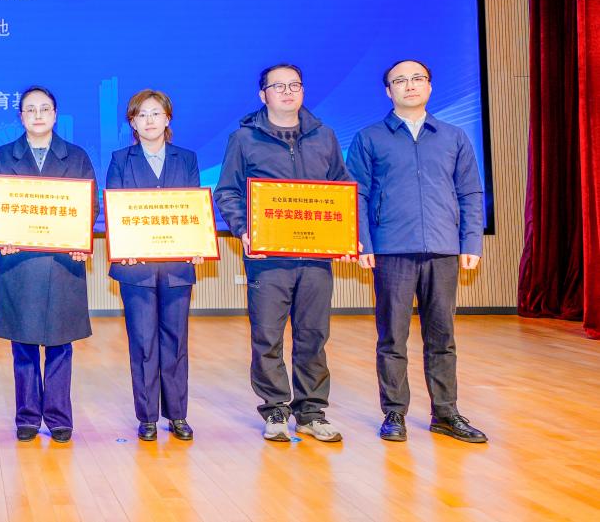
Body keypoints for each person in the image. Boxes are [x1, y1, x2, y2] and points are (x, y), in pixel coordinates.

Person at [346, 59, 488, 443]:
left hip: (443, 248)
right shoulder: (369, 138)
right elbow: (356, 194)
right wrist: (363, 243)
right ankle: (394, 413)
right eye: (400, 80)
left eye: (417, 78)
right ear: (387, 91)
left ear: (429, 86)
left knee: (442, 337)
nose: (410, 85)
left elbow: (470, 192)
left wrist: (471, 241)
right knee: (392, 336)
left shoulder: (454, 136)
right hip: (391, 250)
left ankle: (446, 413)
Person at [214, 64, 352, 443]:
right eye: (279, 86)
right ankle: (275, 408)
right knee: (267, 335)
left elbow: (342, 187)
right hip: (268, 258)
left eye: (295, 85)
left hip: (316, 256)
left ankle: (311, 412)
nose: (288, 92)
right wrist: (244, 229)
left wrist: (346, 232)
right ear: (263, 95)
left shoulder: (325, 136)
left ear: (303, 91)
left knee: (313, 335)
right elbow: (227, 191)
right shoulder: (244, 138)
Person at [0, 86, 96, 443]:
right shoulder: (3, 156)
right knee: (24, 345)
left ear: (55, 115)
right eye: (30, 109)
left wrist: (81, 238)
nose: (37, 115)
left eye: (44, 108)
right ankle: (28, 416)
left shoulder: (76, 156)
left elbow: (90, 205)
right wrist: (1, 233)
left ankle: (60, 416)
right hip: (18, 263)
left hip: (62, 263)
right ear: (20, 117)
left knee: (61, 345)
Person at [106, 89, 202, 442]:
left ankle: (178, 415)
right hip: (136, 268)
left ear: (167, 119)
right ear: (132, 123)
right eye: (141, 115)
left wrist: (197, 242)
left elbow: (193, 209)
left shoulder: (186, 159)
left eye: (156, 113)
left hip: (177, 267)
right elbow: (114, 210)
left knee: (176, 341)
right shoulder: (120, 160)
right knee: (143, 341)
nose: (149, 120)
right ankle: (147, 416)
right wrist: (123, 247)